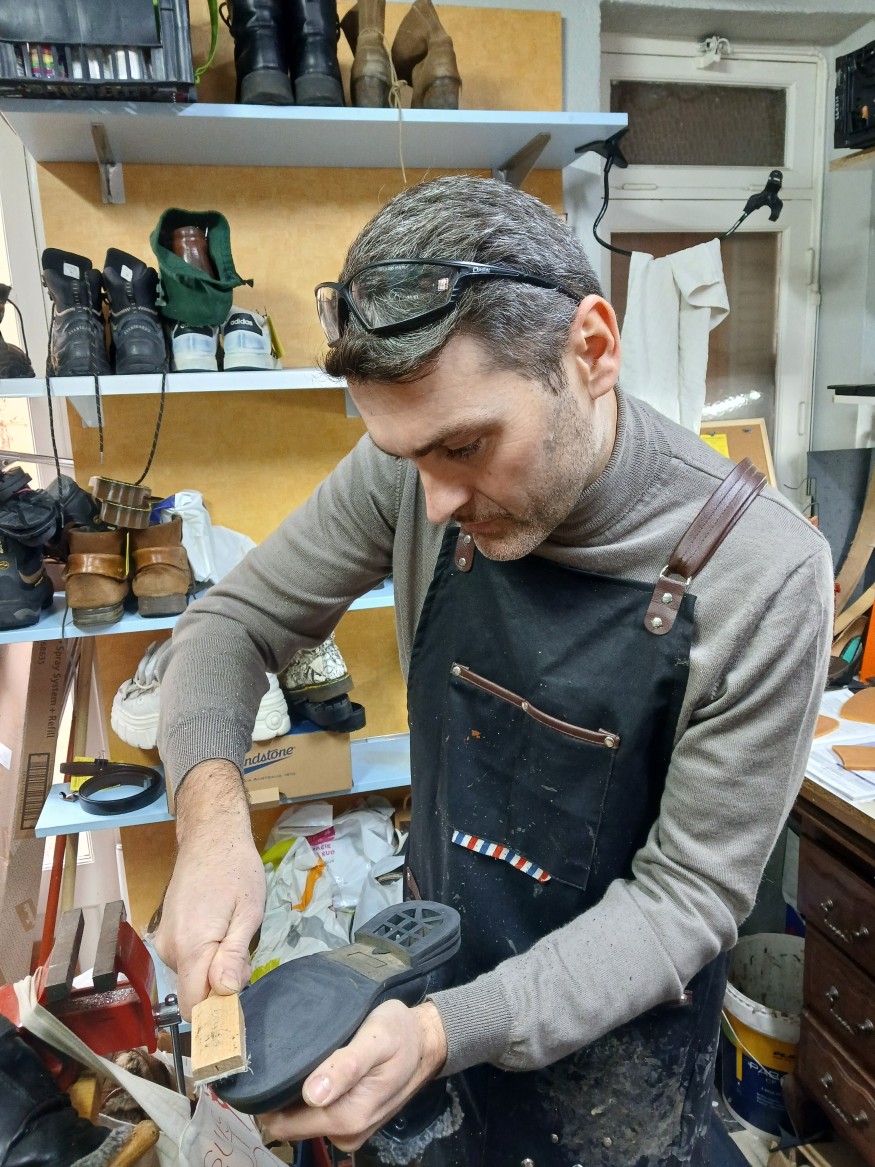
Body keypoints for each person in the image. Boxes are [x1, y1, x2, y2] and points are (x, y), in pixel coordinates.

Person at [154, 174, 833, 1166]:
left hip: (616, 1064)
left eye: (465, 447)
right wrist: (210, 819)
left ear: (590, 351)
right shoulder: (414, 471)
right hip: (427, 983)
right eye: (406, 456)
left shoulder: (763, 573)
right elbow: (231, 624)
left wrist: (445, 1032)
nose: (431, 503)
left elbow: (685, 896)